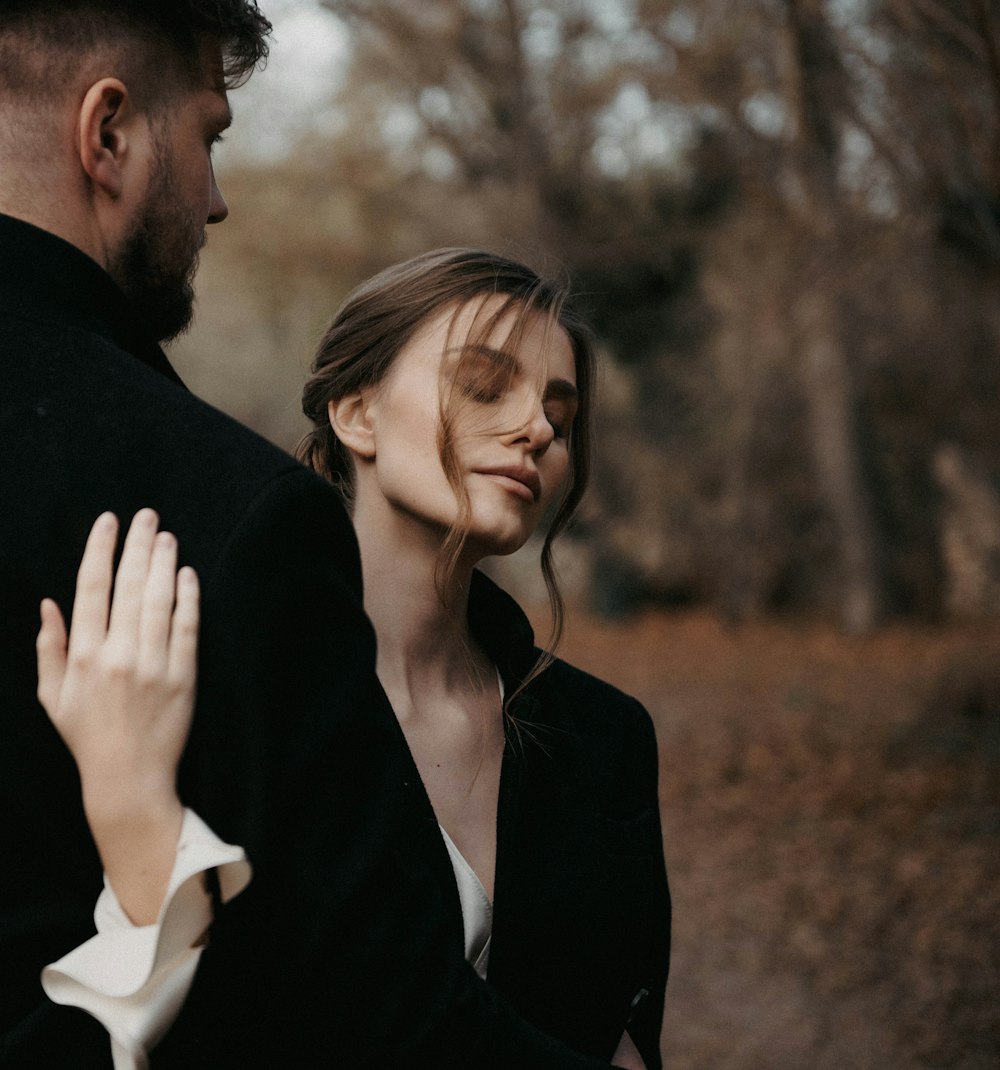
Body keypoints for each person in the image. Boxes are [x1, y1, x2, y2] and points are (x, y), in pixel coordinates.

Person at [0, 1, 661, 1066]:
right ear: (107, 134)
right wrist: (146, 880)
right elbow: (359, 1013)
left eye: (563, 412)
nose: (217, 200)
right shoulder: (218, 533)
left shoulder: (603, 738)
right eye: (210, 136)